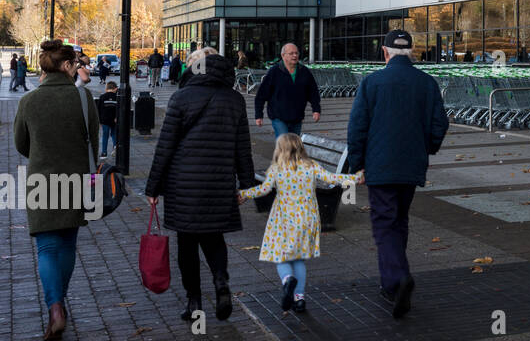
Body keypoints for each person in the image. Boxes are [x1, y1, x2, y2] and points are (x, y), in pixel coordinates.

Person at [144, 48, 255, 323]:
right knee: (214, 238)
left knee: (187, 243)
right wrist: (247, 185)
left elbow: (165, 145)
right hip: (219, 181)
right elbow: (243, 147)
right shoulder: (234, 100)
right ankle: (221, 282)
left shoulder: (181, 98)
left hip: (184, 183)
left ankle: (194, 301)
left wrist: (153, 187)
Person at [346, 29, 448, 318]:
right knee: (399, 220)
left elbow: (357, 127)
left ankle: (398, 277)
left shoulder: (372, 83)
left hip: (379, 167)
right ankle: (391, 283)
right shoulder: (427, 83)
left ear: (385, 52)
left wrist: (357, 164)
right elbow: (440, 124)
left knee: (384, 223)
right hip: (411, 166)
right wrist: (425, 147)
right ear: (411, 52)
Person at [12, 40, 99, 340]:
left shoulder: (29, 101)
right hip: (75, 181)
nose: (78, 67)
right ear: (65, 66)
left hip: (41, 182)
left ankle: (55, 308)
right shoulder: (84, 99)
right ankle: (59, 302)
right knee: (67, 245)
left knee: (47, 248)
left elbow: (20, 144)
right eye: (75, 63)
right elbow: (94, 142)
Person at [238, 133, 363, 313]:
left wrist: (243, 194)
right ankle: (300, 299)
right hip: (307, 219)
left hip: (284, 221)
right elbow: (333, 179)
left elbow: (263, 189)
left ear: (279, 150)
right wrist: (356, 178)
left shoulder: (277, 168)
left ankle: (287, 280)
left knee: (281, 257)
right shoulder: (311, 166)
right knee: (299, 260)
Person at [253, 43, 322, 138]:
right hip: (279, 117)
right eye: (291, 53)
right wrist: (258, 115)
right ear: (283, 55)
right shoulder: (274, 71)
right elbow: (261, 95)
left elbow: (313, 92)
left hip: (297, 117)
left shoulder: (304, 71)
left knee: (293, 147)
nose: (295, 56)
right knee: (284, 145)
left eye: (296, 53)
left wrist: (316, 110)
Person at [95, 81, 119, 158]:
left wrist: (99, 120)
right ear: (115, 89)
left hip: (104, 120)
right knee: (113, 134)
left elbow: (98, 109)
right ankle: (115, 146)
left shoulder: (102, 97)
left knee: (105, 135)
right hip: (114, 119)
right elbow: (119, 109)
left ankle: (104, 153)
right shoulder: (117, 97)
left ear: (106, 88)